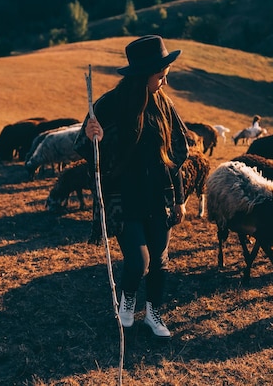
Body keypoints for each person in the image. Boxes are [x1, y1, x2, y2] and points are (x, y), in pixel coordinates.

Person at [74, 35, 189, 338]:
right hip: (122, 199)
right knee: (138, 261)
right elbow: (85, 149)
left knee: (161, 261)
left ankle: (154, 314)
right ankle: (127, 300)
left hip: (157, 196)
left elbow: (175, 155)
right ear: (143, 75)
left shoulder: (164, 105)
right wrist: (90, 134)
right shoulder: (109, 105)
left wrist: (179, 200)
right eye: (160, 76)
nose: (165, 81)